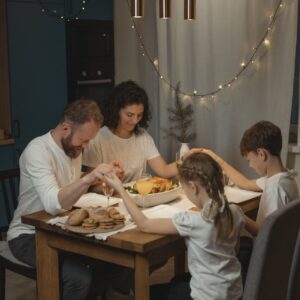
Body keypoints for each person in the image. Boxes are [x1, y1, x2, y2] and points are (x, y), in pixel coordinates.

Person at [7, 99, 132, 300]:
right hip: (28, 235)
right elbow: (53, 203)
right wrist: (90, 177)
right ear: (65, 128)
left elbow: (72, 189)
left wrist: (108, 180)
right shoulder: (37, 151)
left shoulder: (72, 148)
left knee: (119, 263)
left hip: (61, 229)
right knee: (79, 278)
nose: (87, 146)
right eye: (84, 140)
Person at [102, 152, 245, 300]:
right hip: (234, 292)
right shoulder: (235, 211)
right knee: (177, 283)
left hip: (206, 296)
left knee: (149, 293)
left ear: (193, 187)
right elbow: (237, 248)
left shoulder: (193, 221)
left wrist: (120, 188)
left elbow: (144, 224)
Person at [191, 120, 299, 283]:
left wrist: (236, 212)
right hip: (281, 262)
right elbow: (244, 183)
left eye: (250, 159)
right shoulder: (285, 178)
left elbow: (264, 232)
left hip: (265, 268)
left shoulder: (274, 188)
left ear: (262, 154)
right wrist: (214, 157)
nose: (250, 165)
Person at [83, 80, 178, 183]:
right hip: (111, 197)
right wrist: (116, 190)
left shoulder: (143, 137)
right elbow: (92, 184)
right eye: (129, 115)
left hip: (136, 197)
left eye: (139, 115)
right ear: (116, 110)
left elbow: (163, 170)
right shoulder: (98, 138)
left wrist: (185, 160)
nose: (135, 120)